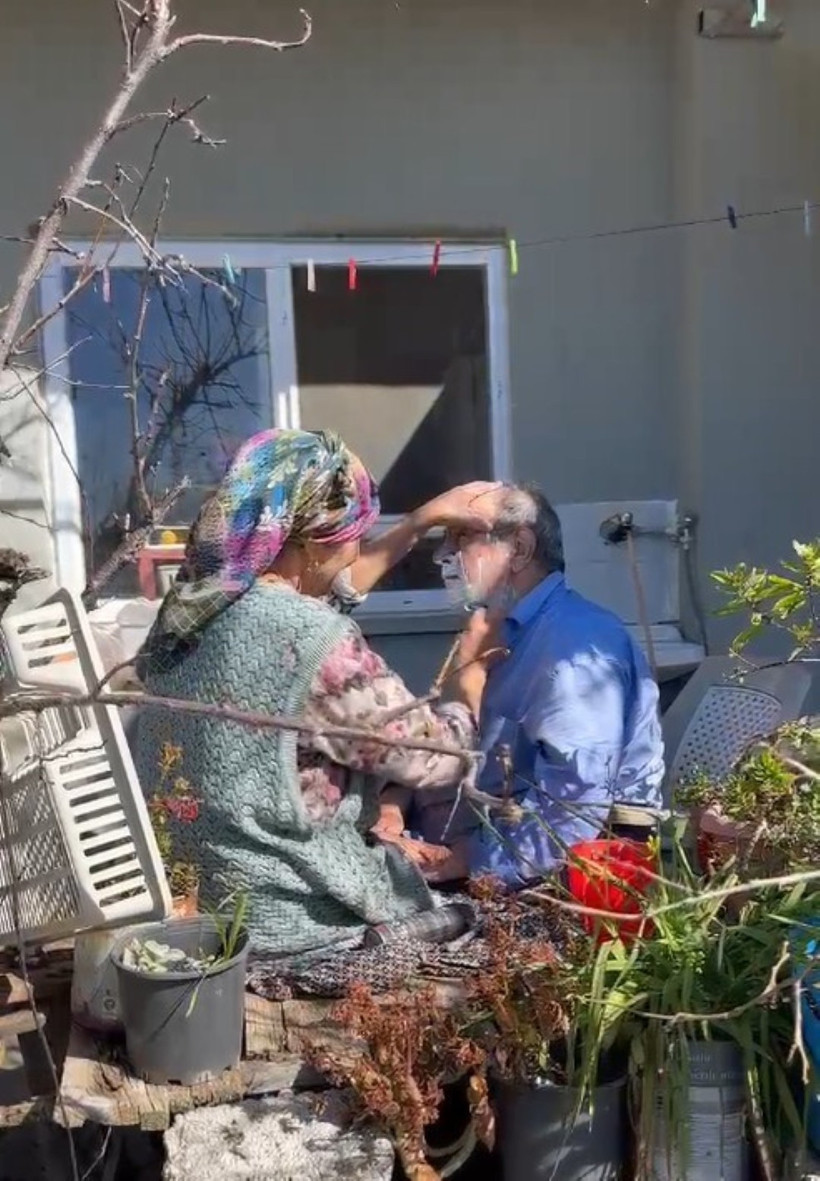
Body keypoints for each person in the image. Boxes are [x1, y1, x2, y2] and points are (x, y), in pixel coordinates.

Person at [135, 428, 496, 954]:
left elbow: (314, 610)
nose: (356, 552)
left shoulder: (194, 606)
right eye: (354, 533)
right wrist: (469, 685)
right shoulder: (309, 638)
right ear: (304, 543)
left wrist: (422, 521)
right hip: (286, 917)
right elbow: (431, 759)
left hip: (198, 903)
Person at [422, 482, 665, 888]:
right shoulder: (514, 631)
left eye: (461, 536)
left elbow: (575, 811)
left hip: (586, 873)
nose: (442, 555)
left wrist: (465, 861)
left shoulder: (567, 646)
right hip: (524, 845)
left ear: (518, 549)